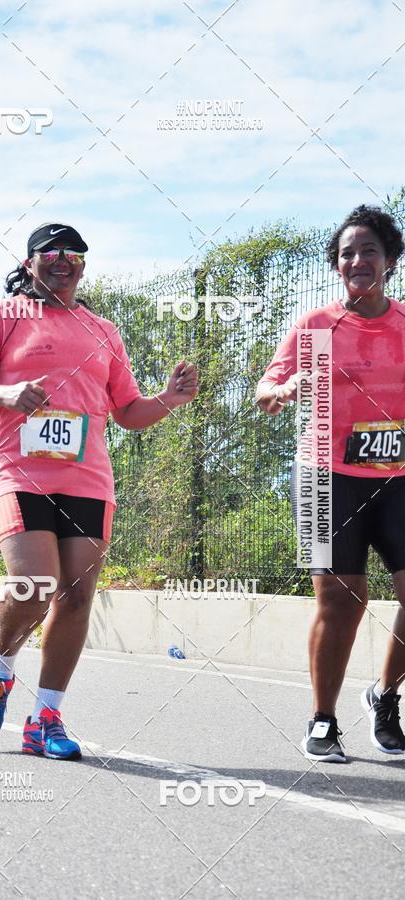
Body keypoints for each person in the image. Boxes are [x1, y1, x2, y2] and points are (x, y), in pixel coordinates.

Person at [0, 222, 198, 760]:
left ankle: (47, 718)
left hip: (88, 479)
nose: (64, 259)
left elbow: (128, 411)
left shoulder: (103, 329)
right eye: (51, 251)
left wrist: (169, 399)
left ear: (84, 265)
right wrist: (7, 393)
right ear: (31, 260)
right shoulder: (6, 316)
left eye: (75, 253)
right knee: (34, 583)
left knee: (77, 594)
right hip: (20, 471)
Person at [256, 204, 405, 763]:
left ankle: (385, 696)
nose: (358, 260)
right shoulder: (317, 327)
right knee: (343, 602)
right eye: (347, 253)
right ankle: (323, 720)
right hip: (325, 477)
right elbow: (264, 391)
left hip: (397, 478)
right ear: (336, 266)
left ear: (390, 260)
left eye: (369, 250)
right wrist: (284, 387)